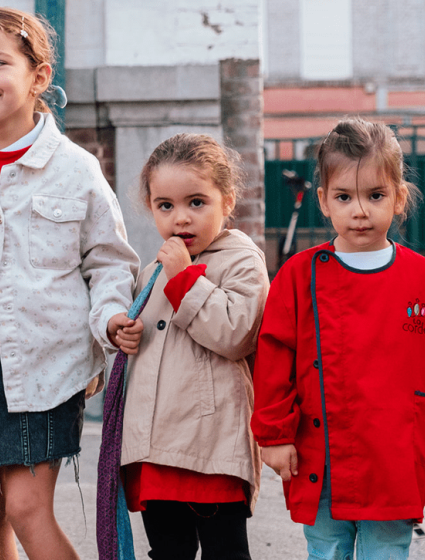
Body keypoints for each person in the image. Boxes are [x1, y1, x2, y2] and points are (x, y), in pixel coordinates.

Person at [0, 7, 138, 560]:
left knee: (25, 506)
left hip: (46, 364)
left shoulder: (75, 168)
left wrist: (109, 321)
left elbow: (109, 260)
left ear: (39, 77)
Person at [252, 117, 425, 560]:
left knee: (387, 552)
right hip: (319, 455)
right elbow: (274, 356)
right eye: (344, 196)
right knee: (327, 551)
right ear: (323, 201)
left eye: (375, 195)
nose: (360, 210)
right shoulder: (299, 276)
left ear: (398, 198)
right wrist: (274, 435)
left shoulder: (423, 278)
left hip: (394, 456)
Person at [110, 133, 269, 560]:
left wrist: (184, 281)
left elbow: (236, 334)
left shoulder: (242, 260)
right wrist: (125, 335)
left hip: (211, 449)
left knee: (226, 553)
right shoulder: (151, 272)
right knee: (167, 552)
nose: (181, 218)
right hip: (155, 452)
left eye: (196, 203)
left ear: (228, 201)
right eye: (166, 206)